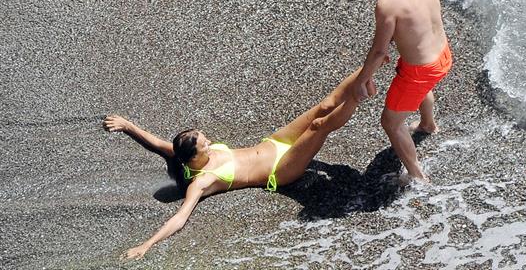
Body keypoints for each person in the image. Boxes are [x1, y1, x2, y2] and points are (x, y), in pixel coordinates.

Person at [104, 68, 369, 260]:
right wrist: (146, 245)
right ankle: (358, 96)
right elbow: (180, 218)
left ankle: (371, 62)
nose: (208, 142)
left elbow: (158, 143)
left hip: (273, 143)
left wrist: (128, 125)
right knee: (319, 125)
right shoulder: (201, 181)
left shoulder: (182, 152)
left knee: (324, 106)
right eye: (204, 144)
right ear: (194, 157)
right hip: (280, 169)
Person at [352, 0, 452, 182]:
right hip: (443, 55)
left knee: (391, 122)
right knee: (420, 83)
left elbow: (379, 51)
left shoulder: (388, 3)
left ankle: (417, 176)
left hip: (421, 69)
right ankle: (428, 124)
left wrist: (362, 79)